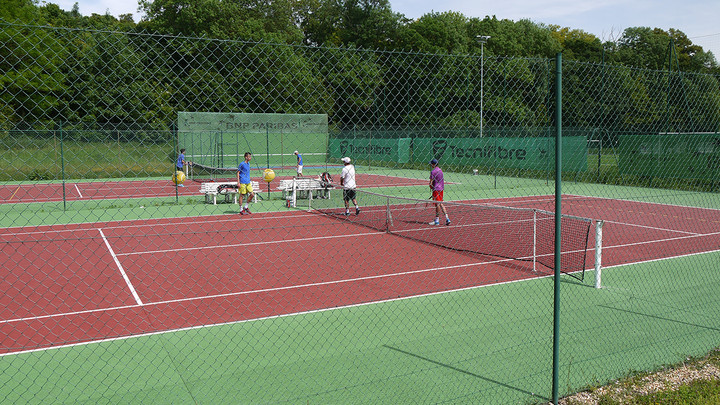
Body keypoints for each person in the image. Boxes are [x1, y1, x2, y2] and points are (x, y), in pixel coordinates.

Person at [429, 158, 450, 226]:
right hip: (441, 189)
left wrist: (432, 187)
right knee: (441, 203)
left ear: (434, 164)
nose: (431, 165)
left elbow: (430, 183)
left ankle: (437, 220)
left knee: (437, 204)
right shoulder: (441, 171)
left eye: (431, 164)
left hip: (436, 189)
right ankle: (447, 218)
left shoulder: (433, 172)